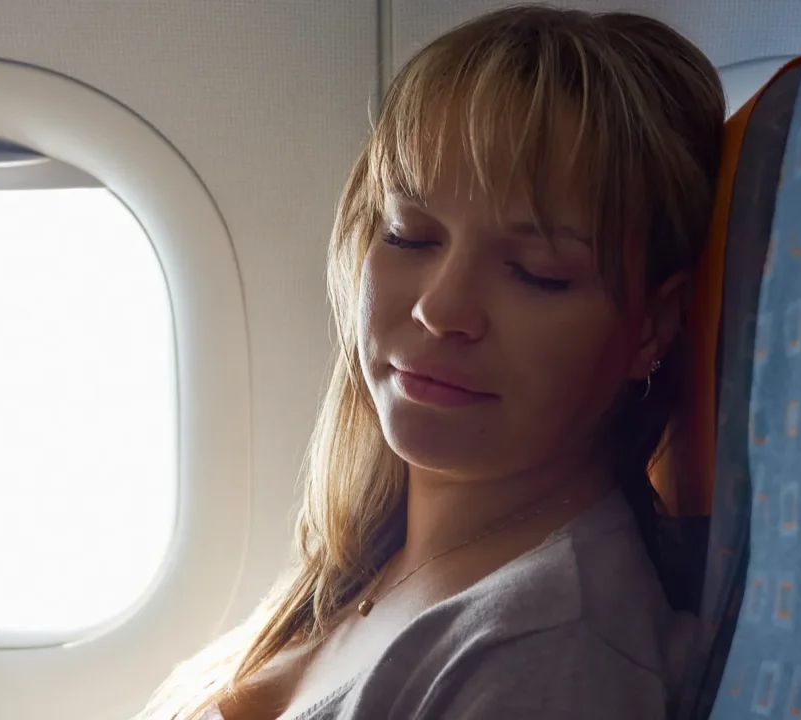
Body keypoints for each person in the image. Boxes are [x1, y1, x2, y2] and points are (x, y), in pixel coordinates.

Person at [140, 5, 725, 718]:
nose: (440, 309)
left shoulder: (547, 661)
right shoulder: (369, 558)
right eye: (409, 235)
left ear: (649, 328)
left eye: (537, 272)